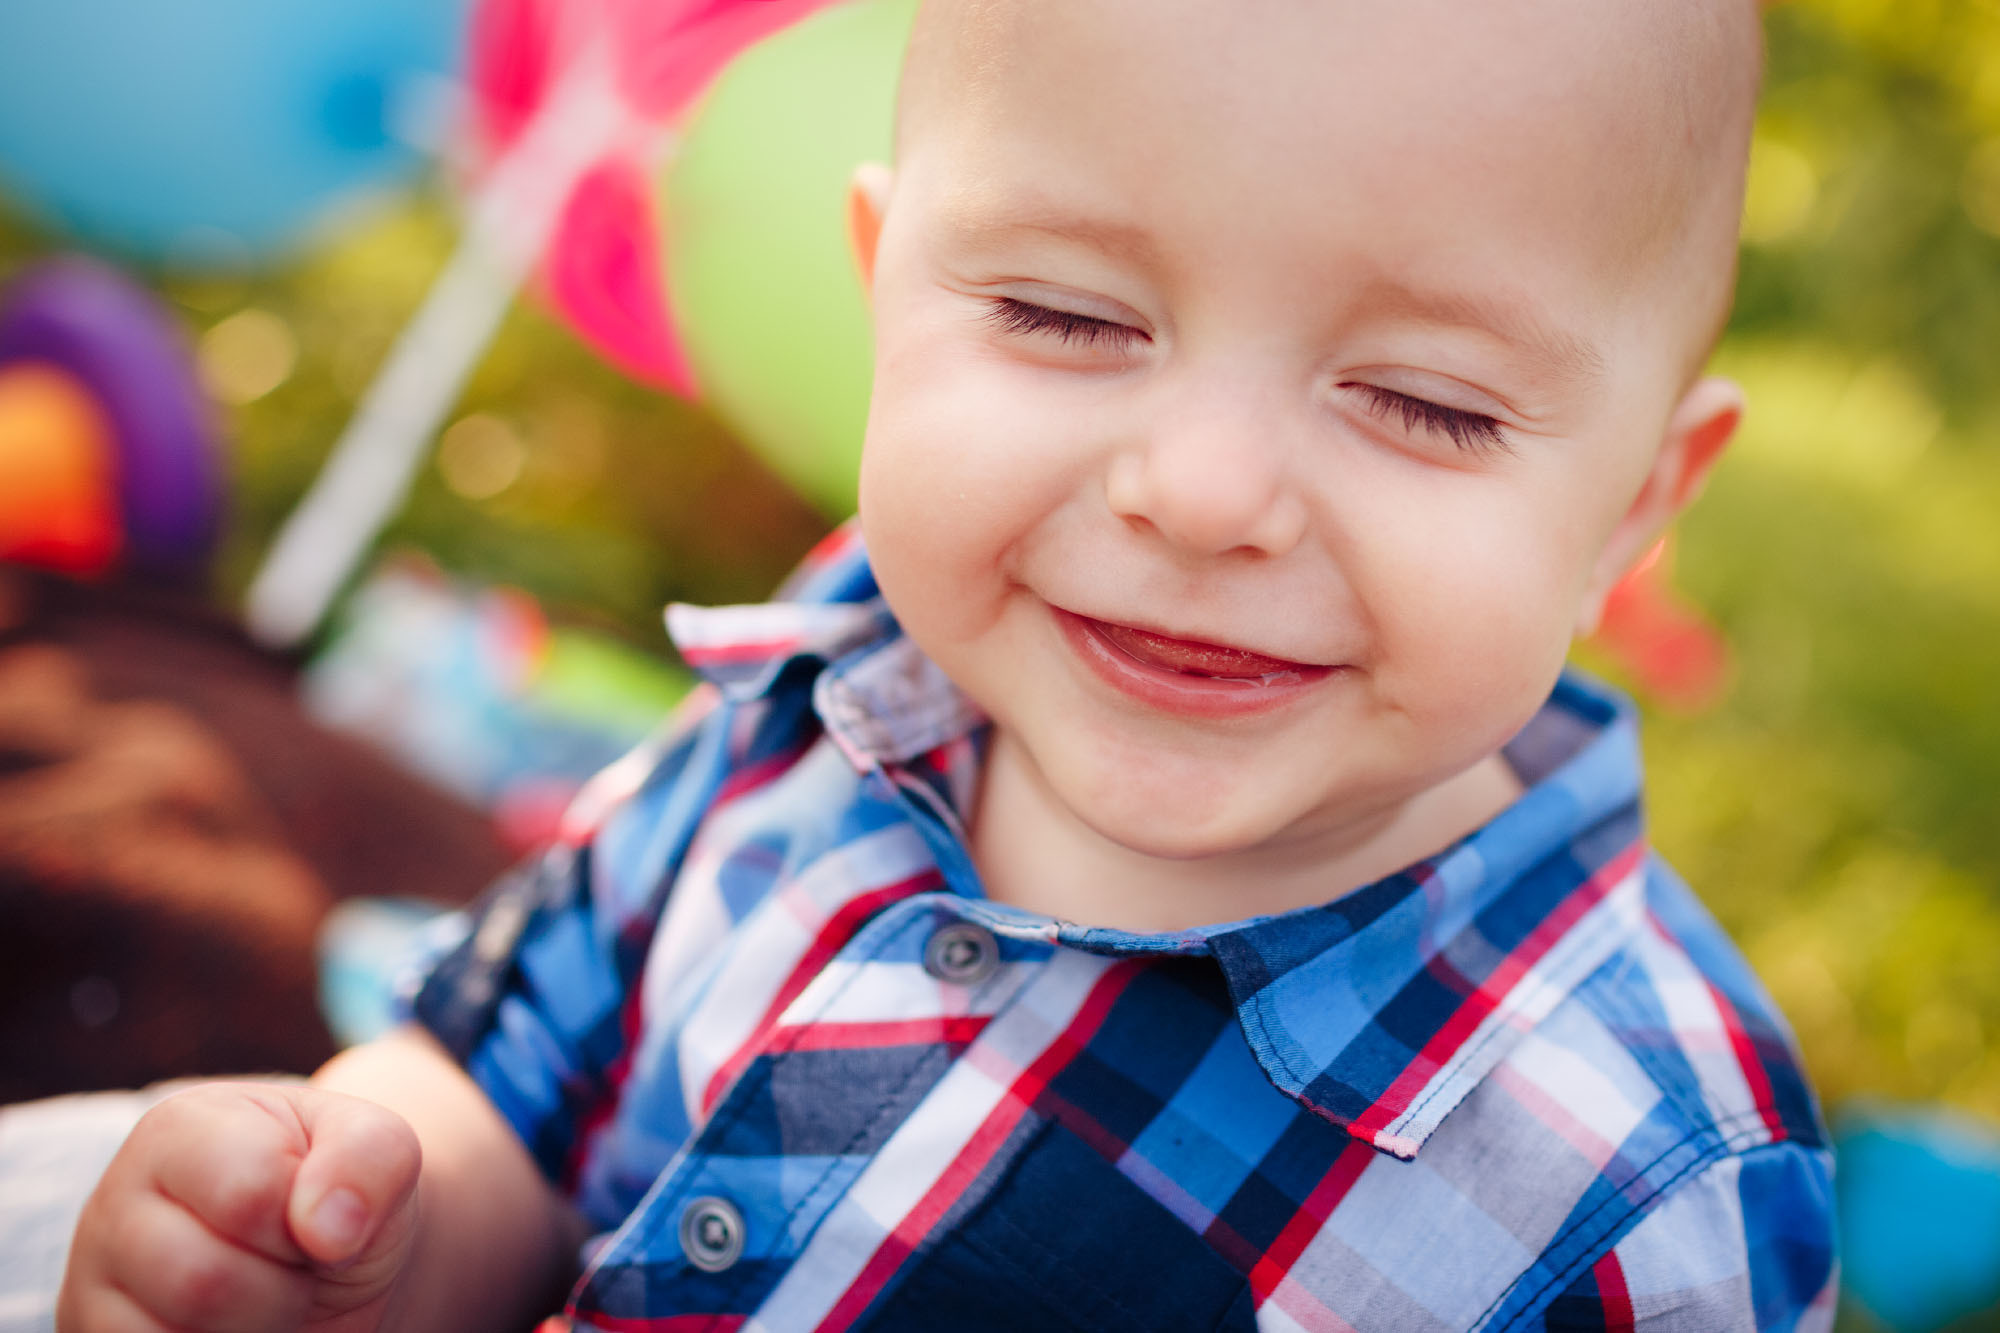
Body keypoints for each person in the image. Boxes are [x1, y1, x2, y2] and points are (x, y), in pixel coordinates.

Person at [56, 0, 1839, 1327]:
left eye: (1426, 401)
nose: (1202, 494)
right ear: (886, 285)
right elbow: (524, 1079)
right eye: (1067, 314)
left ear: (1635, 504)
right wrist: (358, 1227)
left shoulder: (1636, 1187)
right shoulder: (833, 688)